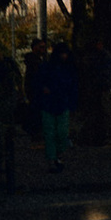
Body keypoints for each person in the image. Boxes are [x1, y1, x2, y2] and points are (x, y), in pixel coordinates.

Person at [31, 40, 79, 173]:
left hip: (57, 103)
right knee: (52, 133)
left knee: (59, 133)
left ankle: (55, 156)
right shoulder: (58, 68)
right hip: (53, 103)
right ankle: (54, 157)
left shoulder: (59, 68)